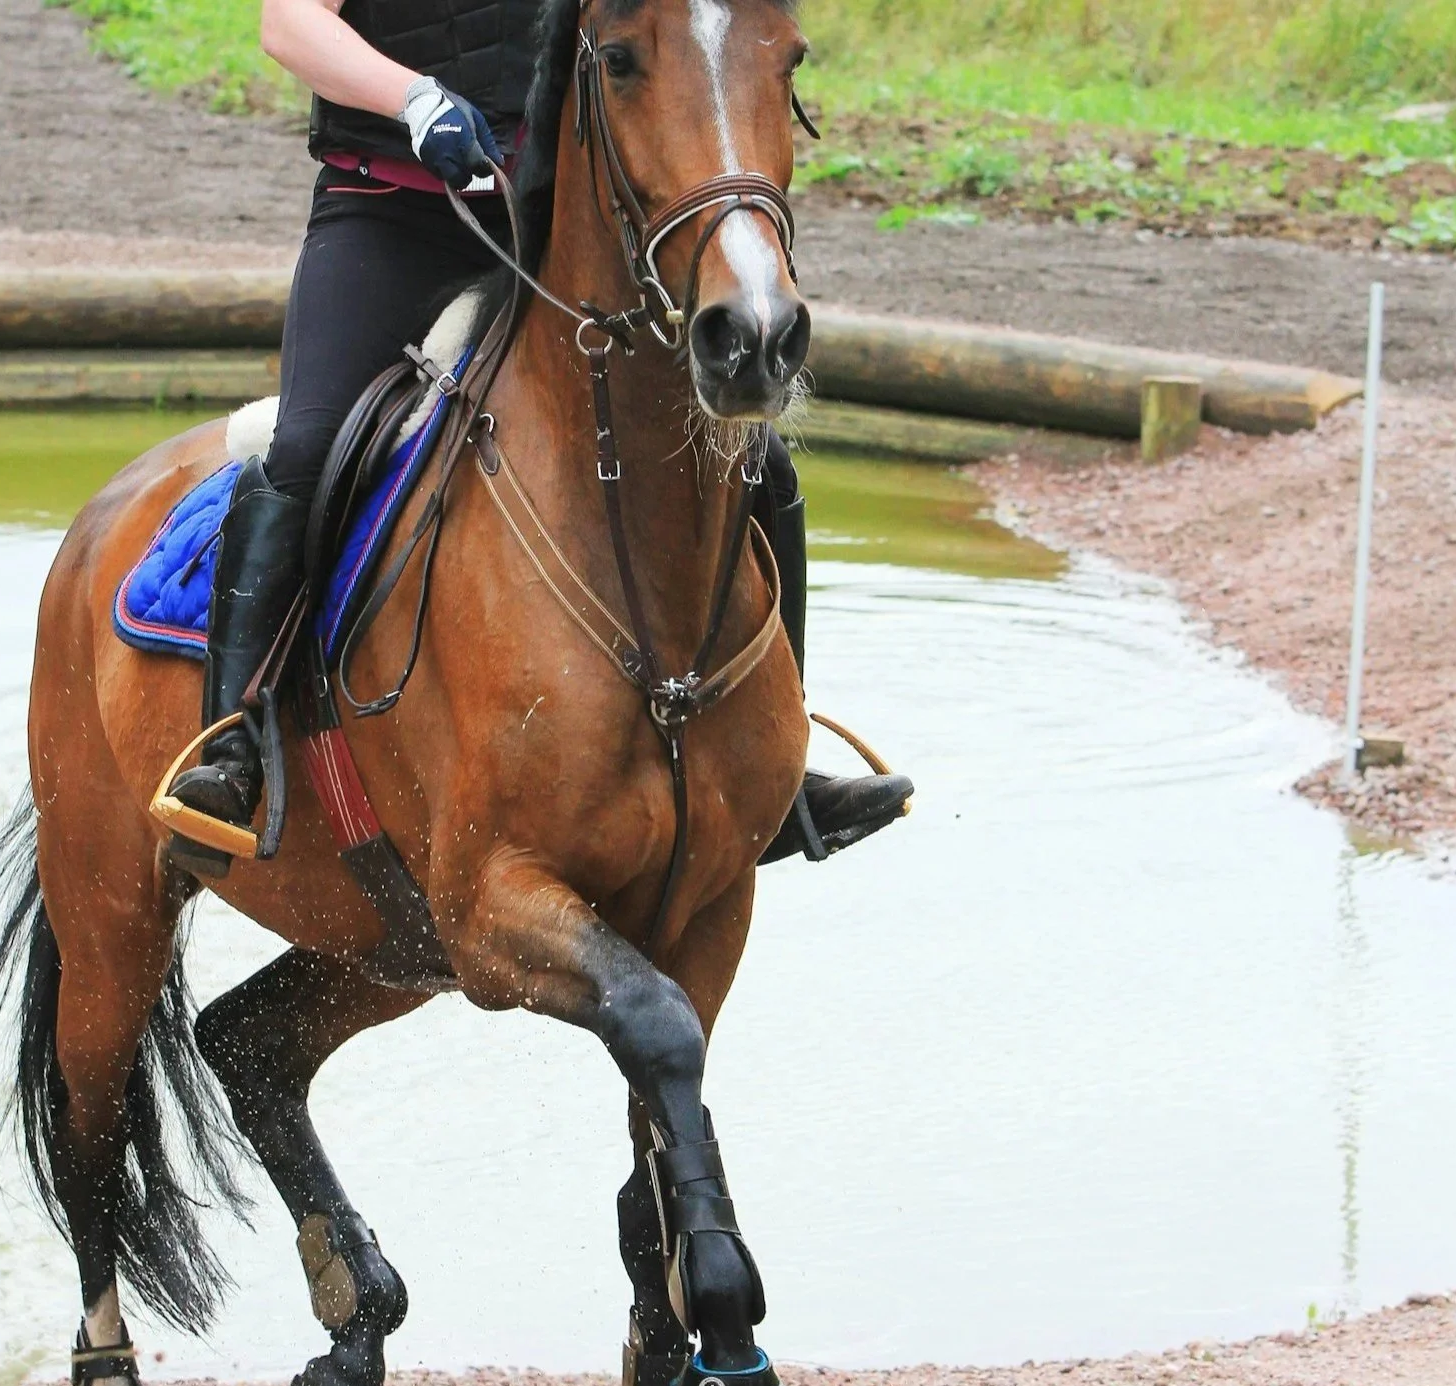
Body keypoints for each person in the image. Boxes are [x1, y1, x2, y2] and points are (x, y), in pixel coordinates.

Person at [166, 0, 913, 872]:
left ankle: (774, 770)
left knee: (757, 455)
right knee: (305, 448)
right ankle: (230, 750)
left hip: (555, 221)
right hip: (389, 217)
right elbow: (287, 25)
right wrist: (415, 101)